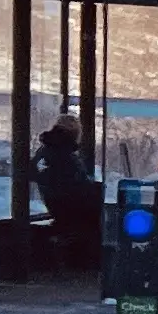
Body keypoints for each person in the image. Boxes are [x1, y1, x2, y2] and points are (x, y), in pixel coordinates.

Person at [30, 116, 102, 270]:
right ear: (74, 133)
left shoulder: (44, 151)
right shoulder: (64, 155)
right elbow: (77, 186)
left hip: (55, 204)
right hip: (69, 207)